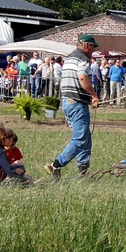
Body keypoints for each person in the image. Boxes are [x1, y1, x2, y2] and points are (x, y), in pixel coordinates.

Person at [45, 34, 100, 179]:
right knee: (80, 139)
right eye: (93, 47)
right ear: (87, 45)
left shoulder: (69, 59)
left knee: (86, 138)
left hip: (68, 102)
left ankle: (83, 171)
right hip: (77, 103)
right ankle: (56, 165)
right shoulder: (83, 59)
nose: (93, 50)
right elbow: (82, 77)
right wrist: (94, 96)